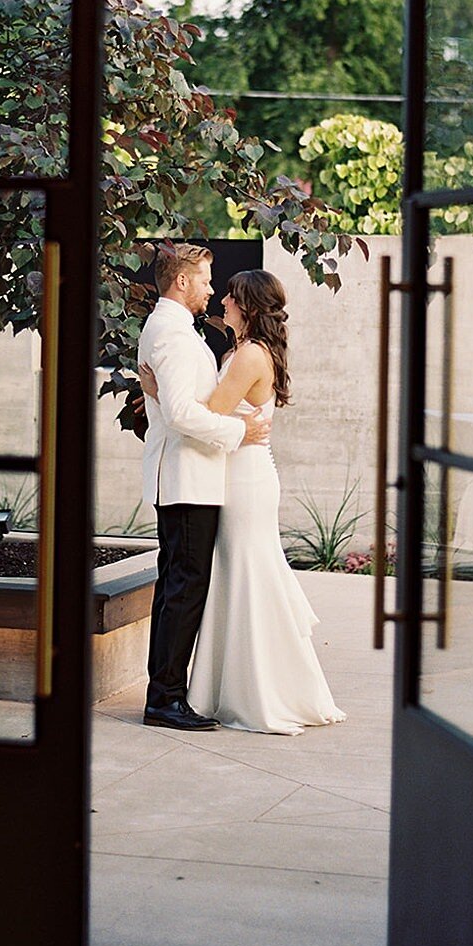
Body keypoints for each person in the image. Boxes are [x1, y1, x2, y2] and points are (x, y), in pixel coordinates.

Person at [140, 268, 345, 737]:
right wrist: (165, 398)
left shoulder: (250, 355)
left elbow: (206, 412)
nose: (221, 299)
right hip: (227, 473)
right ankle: (220, 686)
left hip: (244, 480)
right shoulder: (237, 351)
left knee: (249, 577)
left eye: (231, 296)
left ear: (248, 307)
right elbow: (200, 411)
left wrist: (158, 393)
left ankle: (262, 687)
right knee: (229, 580)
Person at [137, 242, 273, 732]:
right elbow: (179, 412)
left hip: (191, 474)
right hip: (187, 476)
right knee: (183, 589)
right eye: (205, 280)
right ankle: (166, 699)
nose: (212, 290)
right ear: (181, 282)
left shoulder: (175, 328)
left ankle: (166, 692)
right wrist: (241, 431)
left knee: (179, 586)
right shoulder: (171, 331)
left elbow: (176, 402)